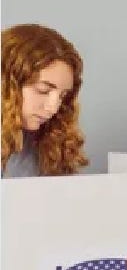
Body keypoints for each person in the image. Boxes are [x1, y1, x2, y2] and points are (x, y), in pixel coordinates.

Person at [1, 24, 88, 177]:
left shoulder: (45, 144)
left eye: (62, 96)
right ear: (6, 85)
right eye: (43, 90)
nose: (53, 108)